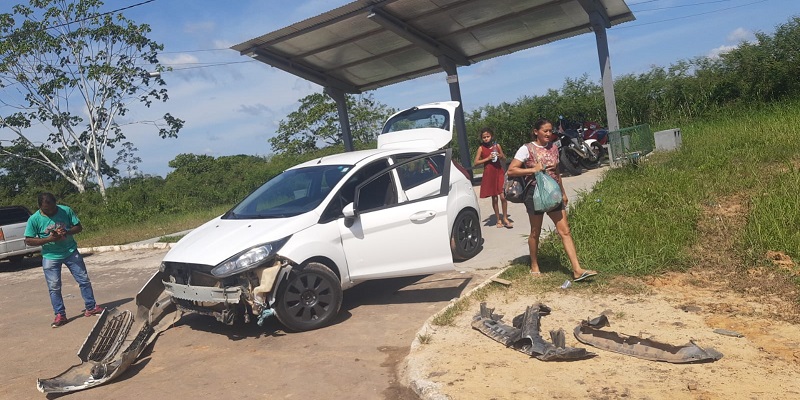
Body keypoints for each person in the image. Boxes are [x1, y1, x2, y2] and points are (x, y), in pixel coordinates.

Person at [507, 119, 598, 281]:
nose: (549, 134)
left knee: (565, 231)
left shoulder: (554, 148)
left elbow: (556, 171)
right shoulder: (526, 149)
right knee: (535, 231)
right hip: (534, 193)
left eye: (550, 131)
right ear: (536, 131)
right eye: (545, 131)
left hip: (554, 193)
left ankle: (577, 269)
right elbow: (512, 170)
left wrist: (563, 192)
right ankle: (534, 264)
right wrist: (532, 169)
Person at [24, 193, 103, 328]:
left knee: (83, 280)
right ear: (40, 207)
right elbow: (28, 240)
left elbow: (78, 227)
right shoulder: (34, 219)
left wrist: (66, 231)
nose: (50, 211)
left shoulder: (65, 210)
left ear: (56, 203)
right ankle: (60, 314)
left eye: (53, 208)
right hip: (50, 256)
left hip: (70, 251)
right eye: (46, 210)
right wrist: (49, 239)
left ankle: (91, 307)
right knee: (54, 287)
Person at [473, 127, 513, 228]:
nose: (486, 139)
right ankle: (498, 219)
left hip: (499, 172)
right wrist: (487, 158)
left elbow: (504, 158)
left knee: (503, 196)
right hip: (489, 173)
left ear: (492, 136)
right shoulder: (481, 148)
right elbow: (476, 162)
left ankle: (505, 217)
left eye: (488, 136)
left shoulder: (497, 146)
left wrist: (500, 156)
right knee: (494, 198)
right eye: (484, 137)